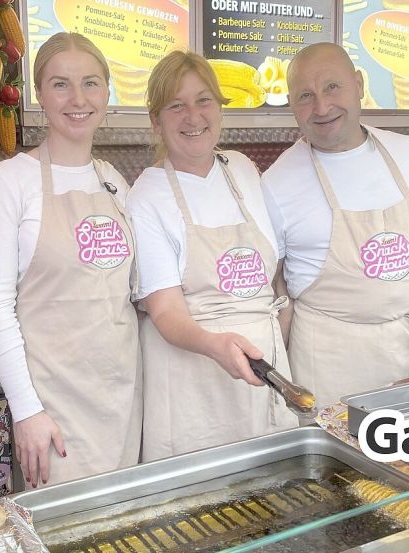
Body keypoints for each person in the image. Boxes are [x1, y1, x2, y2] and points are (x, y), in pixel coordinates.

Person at [0, 33, 140, 488]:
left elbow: (132, 294)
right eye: (61, 84)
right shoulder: (8, 182)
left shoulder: (113, 182)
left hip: (125, 399)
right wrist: (26, 410)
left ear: (107, 92)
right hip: (54, 409)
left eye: (91, 83)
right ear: (39, 95)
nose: (78, 98)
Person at [262, 43, 409, 409]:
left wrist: (391, 291)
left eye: (332, 87)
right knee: (343, 466)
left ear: (359, 84)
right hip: (331, 362)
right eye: (306, 95)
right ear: (292, 105)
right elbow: (277, 283)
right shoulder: (276, 184)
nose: (322, 107)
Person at [129, 51, 297, 462]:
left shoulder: (242, 169)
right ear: (156, 120)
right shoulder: (147, 195)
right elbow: (166, 312)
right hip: (191, 382)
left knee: (273, 491)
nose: (193, 116)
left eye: (204, 100)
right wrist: (217, 345)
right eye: (176, 105)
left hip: (264, 372)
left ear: (220, 106)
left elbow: (276, 279)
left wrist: (277, 347)